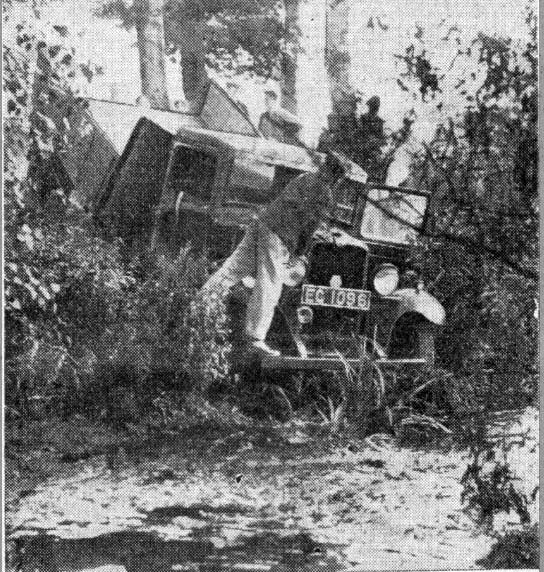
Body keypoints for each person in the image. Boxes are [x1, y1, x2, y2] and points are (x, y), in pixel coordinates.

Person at [201, 152, 348, 357]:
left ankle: (197, 306)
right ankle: (255, 338)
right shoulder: (324, 192)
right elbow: (309, 226)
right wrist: (300, 254)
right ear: (336, 176)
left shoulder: (304, 177)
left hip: (262, 223)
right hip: (279, 235)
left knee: (232, 269)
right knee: (271, 283)